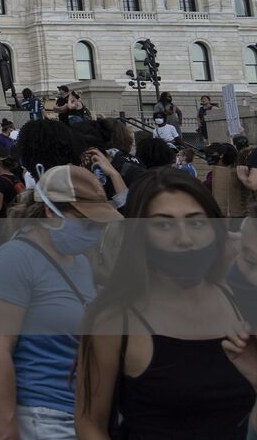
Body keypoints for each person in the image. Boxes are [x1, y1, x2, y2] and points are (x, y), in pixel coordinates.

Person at [75, 169, 255, 440]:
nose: (184, 238)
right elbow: (90, 424)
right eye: (163, 224)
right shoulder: (114, 321)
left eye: (196, 222)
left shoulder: (236, 299)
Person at [0, 165, 120, 440]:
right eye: (87, 222)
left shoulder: (79, 259)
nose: (94, 231)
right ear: (50, 212)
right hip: (44, 417)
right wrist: (7, 426)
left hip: (85, 412)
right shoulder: (14, 259)